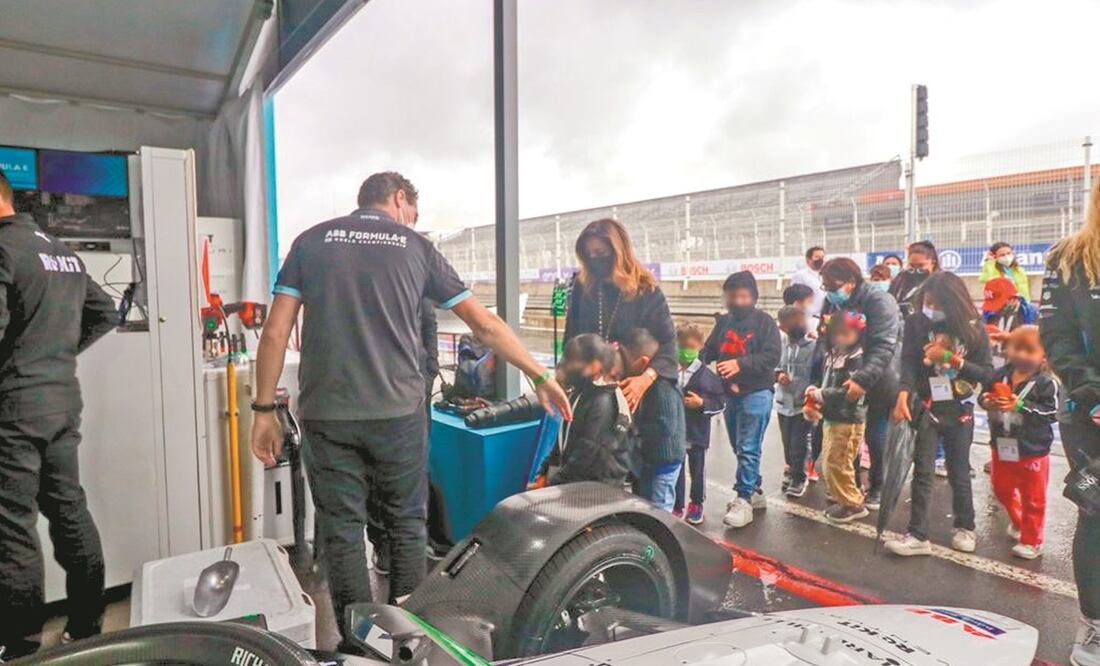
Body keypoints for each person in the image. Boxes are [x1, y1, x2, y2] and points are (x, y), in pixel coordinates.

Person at [250, 172, 571, 646]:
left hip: (329, 414)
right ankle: (405, 638)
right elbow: (482, 324)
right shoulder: (415, 247)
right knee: (405, 523)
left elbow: (276, 332)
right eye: (412, 212)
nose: (411, 220)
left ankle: (359, 644)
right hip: (397, 414)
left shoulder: (311, 242)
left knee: (341, 532)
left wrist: (262, 410)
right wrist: (539, 375)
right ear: (400, 200)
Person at [0, 170, 118, 657]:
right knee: (68, 510)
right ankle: (87, 625)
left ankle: (21, 644)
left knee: (11, 523)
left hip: (14, 406)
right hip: (60, 400)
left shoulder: (3, 249)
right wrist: (56, 354)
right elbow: (105, 311)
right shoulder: (59, 250)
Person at [886, 271, 993, 557]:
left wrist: (950, 359)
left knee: (959, 470)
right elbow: (908, 361)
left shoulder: (974, 329)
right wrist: (903, 394)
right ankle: (918, 534)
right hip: (927, 406)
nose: (930, 308)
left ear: (953, 303)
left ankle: (965, 526)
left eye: (935, 303)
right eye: (926, 301)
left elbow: (988, 373)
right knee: (923, 470)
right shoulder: (916, 322)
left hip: (959, 408)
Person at [1038, 180, 1100, 665]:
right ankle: (1094, 624)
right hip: (1090, 413)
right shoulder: (1068, 257)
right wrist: (1093, 394)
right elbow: (1056, 336)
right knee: (1096, 516)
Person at [563, 218, 677, 413]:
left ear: (618, 252)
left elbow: (668, 345)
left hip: (642, 387)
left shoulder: (646, 290)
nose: (594, 259)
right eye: (589, 254)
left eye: (600, 253)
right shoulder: (582, 288)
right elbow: (571, 339)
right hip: (593, 384)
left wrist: (645, 379)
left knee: (664, 408)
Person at [818, 257, 900, 511]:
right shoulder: (831, 302)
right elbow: (826, 339)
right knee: (842, 435)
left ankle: (877, 485)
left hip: (877, 380)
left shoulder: (878, 301)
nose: (829, 290)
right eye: (825, 285)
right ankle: (848, 488)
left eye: (833, 284)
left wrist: (862, 380)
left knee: (874, 435)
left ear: (851, 282)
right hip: (842, 377)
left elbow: (884, 346)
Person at [704, 271, 782, 528]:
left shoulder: (764, 322)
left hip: (757, 392)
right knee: (739, 446)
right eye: (732, 296)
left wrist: (740, 364)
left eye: (743, 296)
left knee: (748, 446)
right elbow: (709, 350)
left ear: (753, 297)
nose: (738, 301)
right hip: (730, 394)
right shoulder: (724, 323)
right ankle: (755, 490)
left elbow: (772, 357)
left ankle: (744, 498)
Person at [978, 326, 1057, 560]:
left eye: (1029, 350)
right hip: (1002, 445)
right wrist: (987, 401)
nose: (1022, 354)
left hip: (1033, 450)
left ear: (1043, 354)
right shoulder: (999, 374)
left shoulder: (1045, 383)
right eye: (1017, 348)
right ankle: (1019, 521)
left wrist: (1021, 406)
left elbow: (1052, 412)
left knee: (1033, 497)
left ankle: (1032, 540)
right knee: (1001, 488)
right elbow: (983, 396)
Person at [534, 334, 633, 488]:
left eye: (571, 363)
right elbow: (563, 440)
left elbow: (588, 454)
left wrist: (553, 483)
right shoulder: (582, 392)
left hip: (596, 491)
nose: (566, 368)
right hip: (575, 482)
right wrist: (546, 471)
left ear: (594, 366)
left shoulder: (604, 402)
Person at [804, 311, 870, 523]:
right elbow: (828, 382)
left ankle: (853, 503)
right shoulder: (833, 354)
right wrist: (818, 390)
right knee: (833, 461)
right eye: (836, 333)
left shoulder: (858, 358)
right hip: (833, 415)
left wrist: (821, 394)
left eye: (846, 334)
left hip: (848, 417)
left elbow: (850, 392)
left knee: (838, 461)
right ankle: (845, 499)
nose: (840, 338)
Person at [619, 328, 686, 511]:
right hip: (648, 459)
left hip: (664, 460)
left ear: (642, 363)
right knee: (645, 504)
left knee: (659, 508)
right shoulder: (642, 382)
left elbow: (666, 427)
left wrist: (632, 428)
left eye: (624, 360)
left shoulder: (662, 387)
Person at [673, 323, 725, 524]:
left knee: (697, 469)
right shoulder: (670, 371)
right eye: (682, 346)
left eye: (690, 347)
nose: (685, 351)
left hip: (697, 433)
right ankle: (677, 504)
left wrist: (702, 404)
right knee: (675, 469)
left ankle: (696, 503)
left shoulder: (708, 377)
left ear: (700, 346)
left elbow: (720, 403)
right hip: (675, 431)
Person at [774, 305, 817, 498]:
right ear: (783, 327)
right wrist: (779, 374)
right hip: (784, 402)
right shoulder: (781, 344)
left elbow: (818, 373)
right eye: (794, 323)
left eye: (801, 321)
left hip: (803, 404)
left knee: (799, 442)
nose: (800, 325)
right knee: (786, 441)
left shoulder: (815, 347)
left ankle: (799, 476)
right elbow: (776, 366)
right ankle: (791, 469)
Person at [982, 276, 1037, 370]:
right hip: (995, 366)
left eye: (1000, 304)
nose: (997, 309)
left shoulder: (1031, 313)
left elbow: (1037, 343)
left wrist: (1012, 338)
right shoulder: (988, 312)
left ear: (1014, 298)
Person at [889, 241, 938, 320]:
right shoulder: (899, 280)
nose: (916, 269)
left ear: (933, 263)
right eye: (912, 265)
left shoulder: (942, 283)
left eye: (921, 265)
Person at [790, 246, 827, 315]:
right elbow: (795, 298)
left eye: (822, 257)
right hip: (809, 316)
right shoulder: (800, 275)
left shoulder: (826, 275)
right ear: (808, 260)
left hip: (825, 316)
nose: (821, 259)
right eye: (817, 257)